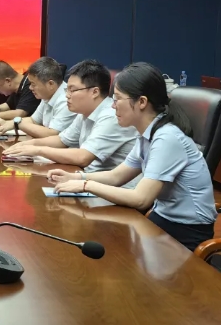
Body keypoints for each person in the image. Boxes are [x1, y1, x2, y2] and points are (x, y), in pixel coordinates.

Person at [49, 62, 217, 251]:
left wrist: (86, 185)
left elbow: (140, 199)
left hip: (186, 232)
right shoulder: (148, 134)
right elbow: (116, 176)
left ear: (142, 102)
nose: (113, 106)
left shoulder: (167, 137)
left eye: (117, 99)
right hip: (160, 219)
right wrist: (77, 177)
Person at [3, 59, 137, 172]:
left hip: (114, 189)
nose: (67, 95)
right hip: (88, 179)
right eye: (67, 90)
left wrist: (38, 150)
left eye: (72, 90)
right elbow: (62, 140)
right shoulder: (84, 113)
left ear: (95, 92)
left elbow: (82, 157)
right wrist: (29, 144)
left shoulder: (110, 116)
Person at [0, 57, 76, 138]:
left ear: (50, 84)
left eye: (33, 84)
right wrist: (8, 123)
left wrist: (18, 124)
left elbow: (52, 134)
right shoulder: (47, 95)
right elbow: (33, 120)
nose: (30, 88)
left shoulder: (66, 100)